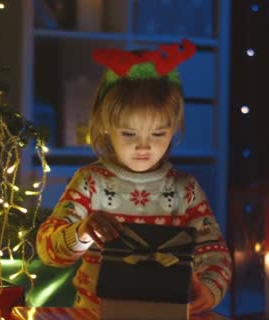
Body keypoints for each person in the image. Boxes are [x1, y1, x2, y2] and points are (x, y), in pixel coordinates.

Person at [35, 40, 232, 315]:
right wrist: (81, 232)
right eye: (129, 134)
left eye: (158, 134)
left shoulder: (184, 190)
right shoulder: (92, 183)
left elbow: (214, 252)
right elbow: (48, 249)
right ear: (105, 125)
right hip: (96, 314)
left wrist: (209, 290)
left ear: (174, 128)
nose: (144, 146)